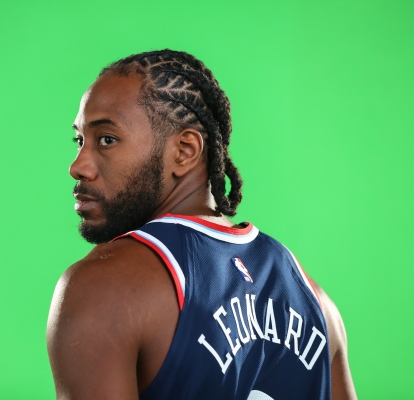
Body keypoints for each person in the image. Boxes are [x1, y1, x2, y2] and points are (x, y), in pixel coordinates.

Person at [47, 49, 356, 399]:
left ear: (184, 150)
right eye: (79, 141)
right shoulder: (315, 301)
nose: (78, 166)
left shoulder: (104, 286)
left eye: (107, 139)